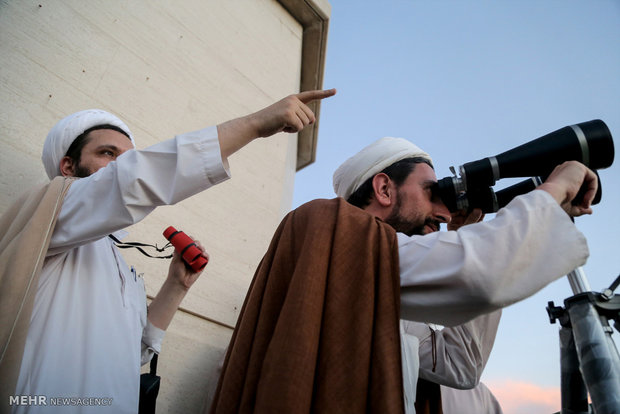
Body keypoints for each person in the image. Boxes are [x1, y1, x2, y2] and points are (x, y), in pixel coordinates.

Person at [0, 88, 336, 414]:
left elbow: (134, 354)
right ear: (69, 167)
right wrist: (254, 125)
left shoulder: (117, 262)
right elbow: (132, 180)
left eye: (129, 157)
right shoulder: (50, 215)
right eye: (108, 154)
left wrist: (177, 286)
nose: (123, 165)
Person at [210, 135, 595, 414]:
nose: (443, 213)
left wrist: (466, 231)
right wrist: (554, 188)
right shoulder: (328, 226)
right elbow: (481, 274)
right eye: (431, 192)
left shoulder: (376, 287)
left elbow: (462, 366)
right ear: (383, 188)